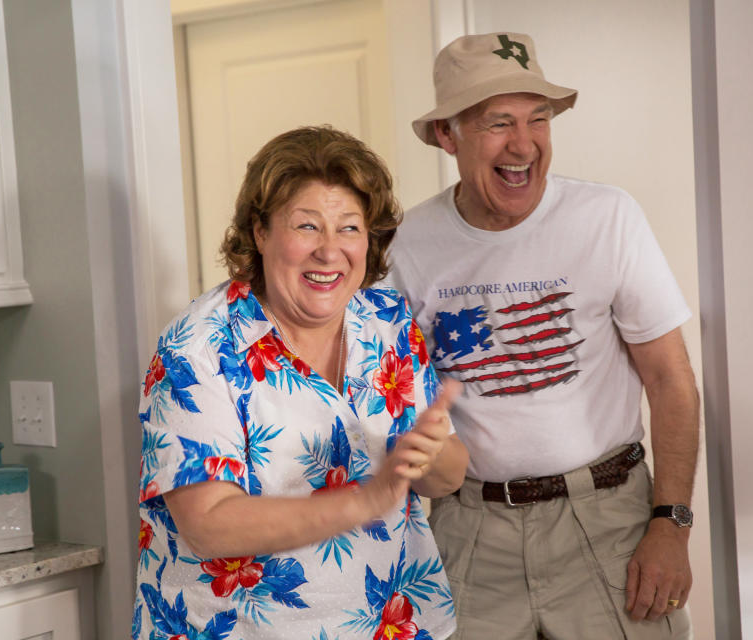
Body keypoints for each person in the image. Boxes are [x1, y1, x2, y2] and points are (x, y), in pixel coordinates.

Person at [387, 33, 699, 639]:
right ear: (447, 135)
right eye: (497, 123)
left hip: (610, 521)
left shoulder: (606, 217)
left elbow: (670, 380)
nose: (523, 144)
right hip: (470, 529)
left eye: (539, 119)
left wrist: (672, 523)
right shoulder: (405, 245)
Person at [132, 125, 468, 640]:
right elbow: (207, 526)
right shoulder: (197, 351)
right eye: (307, 226)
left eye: (350, 228)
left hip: (394, 625)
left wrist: (428, 454)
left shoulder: (388, 322)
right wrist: (362, 501)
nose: (330, 252)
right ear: (260, 231)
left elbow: (444, 479)